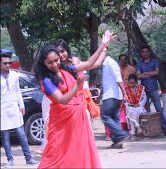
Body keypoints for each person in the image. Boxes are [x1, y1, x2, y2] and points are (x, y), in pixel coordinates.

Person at [33, 30, 114, 168]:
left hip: (77, 117)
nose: (54, 64)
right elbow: (62, 99)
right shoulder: (46, 80)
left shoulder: (67, 68)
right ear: (44, 63)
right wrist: (77, 85)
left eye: (56, 60)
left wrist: (103, 45)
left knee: (78, 154)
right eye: (50, 62)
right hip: (61, 122)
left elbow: (89, 63)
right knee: (55, 157)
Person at [1, 52, 39, 167]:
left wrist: (21, 105)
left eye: (9, 63)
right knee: (5, 136)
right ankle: (10, 160)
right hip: (2, 109)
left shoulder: (14, 76)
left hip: (14, 108)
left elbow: (18, 91)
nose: (8, 65)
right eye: (5, 63)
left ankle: (29, 158)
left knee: (21, 135)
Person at [136, 46, 166, 136]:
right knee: (146, 111)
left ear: (149, 52)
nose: (145, 53)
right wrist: (151, 73)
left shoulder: (154, 62)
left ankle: (165, 129)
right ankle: (148, 131)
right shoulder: (139, 64)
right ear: (141, 53)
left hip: (154, 89)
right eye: (143, 52)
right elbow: (138, 76)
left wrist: (145, 73)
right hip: (143, 90)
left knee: (159, 109)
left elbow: (156, 72)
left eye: (147, 51)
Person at [101, 53, 130, 149]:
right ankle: (117, 142)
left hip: (112, 95)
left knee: (105, 116)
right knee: (114, 118)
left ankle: (121, 135)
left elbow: (119, 79)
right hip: (112, 95)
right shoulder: (106, 64)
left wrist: (125, 93)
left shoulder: (110, 63)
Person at [123, 74, 147, 141]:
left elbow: (144, 99)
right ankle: (137, 127)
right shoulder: (125, 89)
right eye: (130, 83)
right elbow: (125, 102)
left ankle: (132, 134)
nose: (132, 85)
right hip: (130, 107)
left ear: (136, 82)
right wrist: (129, 105)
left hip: (139, 107)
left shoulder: (141, 88)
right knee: (131, 111)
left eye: (133, 83)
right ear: (128, 82)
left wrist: (139, 104)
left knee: (131, 113)